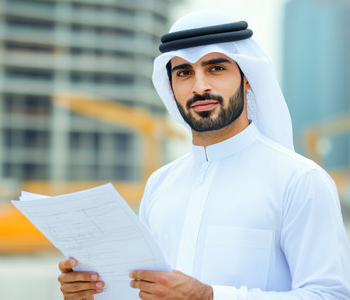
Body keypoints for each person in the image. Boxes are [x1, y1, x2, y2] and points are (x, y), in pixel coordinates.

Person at [57, 10, 350, 300]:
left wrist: (209, 297)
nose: (200, 87)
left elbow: (330, 295)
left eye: (216, 68)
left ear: (247, 78)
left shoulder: (300, 181)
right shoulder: (160, 184)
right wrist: (91, 293)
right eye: (184, 73)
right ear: (171, 88)